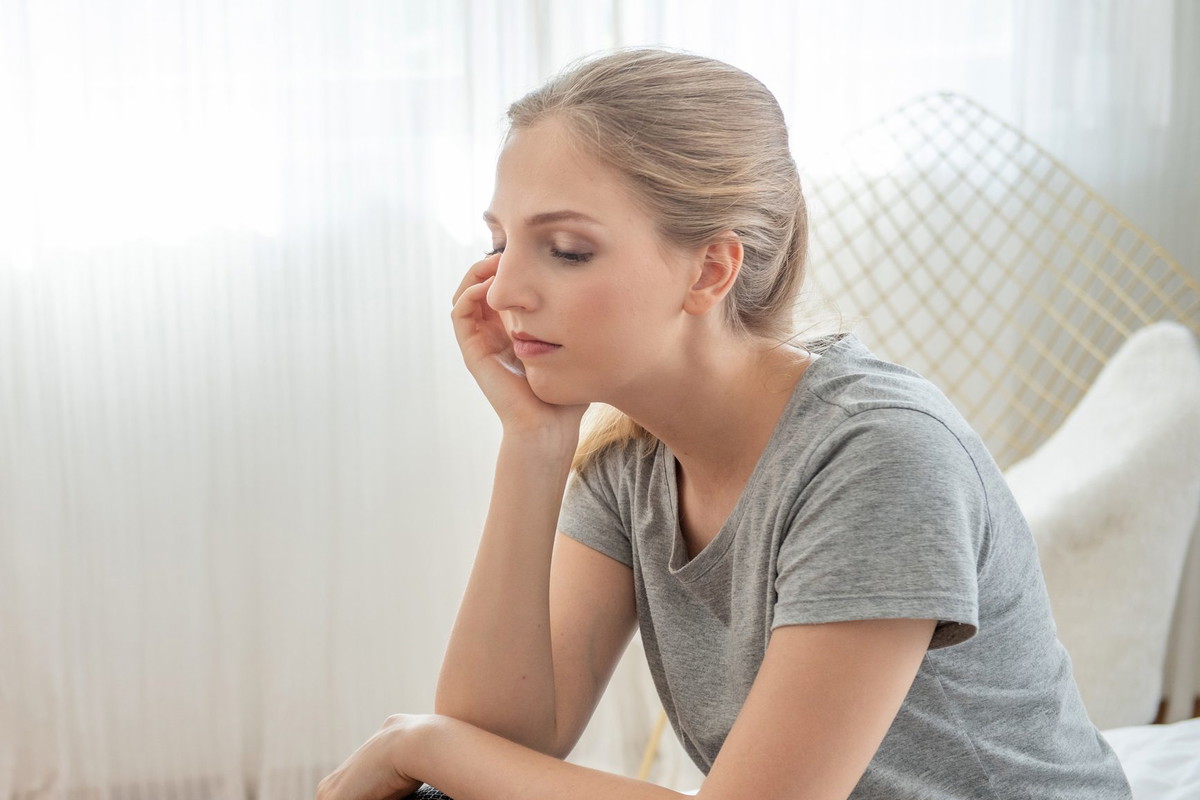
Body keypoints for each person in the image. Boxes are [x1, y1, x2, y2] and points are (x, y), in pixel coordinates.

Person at [317, 47, 1132, 800]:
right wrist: (532, 443)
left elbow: (460, 749)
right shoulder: (631, 464)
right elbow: (498, 739)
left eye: (565, 249)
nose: (500, 293)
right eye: (500, 242)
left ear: (710, 268)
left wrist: (416, 745)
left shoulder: (878, 455)